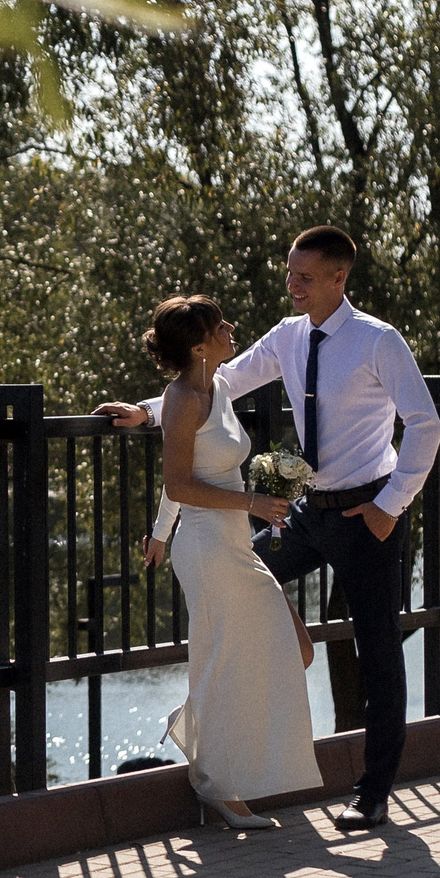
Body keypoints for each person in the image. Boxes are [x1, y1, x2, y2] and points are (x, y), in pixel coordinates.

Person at [99, 226, 440, 832]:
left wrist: (392, 503)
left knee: (377, 652)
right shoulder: (287, 336)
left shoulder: (377, 341)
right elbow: (216, 382)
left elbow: (426, 425)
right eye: (289, 273)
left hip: (370, 515)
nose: (292, 285)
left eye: (305, 277)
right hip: (308, 513)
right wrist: (145, 412)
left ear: (340, 278)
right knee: (240, 586)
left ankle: (372, 792)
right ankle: (224, 752)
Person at [134, 295, 323, 829]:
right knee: (224, 661)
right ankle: (216, 786)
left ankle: (193, 727)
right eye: (221, 326)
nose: (231, 328)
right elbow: (178, 483)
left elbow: (191, 472)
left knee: (296, 649)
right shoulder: (182, 399)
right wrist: (249, 504)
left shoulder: (215, 387)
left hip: (234, 544)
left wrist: (158, 531)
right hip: (208, 549)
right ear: (199, 346)